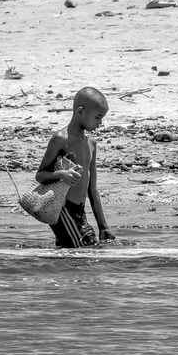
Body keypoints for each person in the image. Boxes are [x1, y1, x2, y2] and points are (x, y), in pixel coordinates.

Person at [35, 86, 114, 248]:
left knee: (77, 251)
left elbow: (92, 189)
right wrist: (61, 174)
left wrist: (103, 225)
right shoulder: (60, 139)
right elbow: (41, 175)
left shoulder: (91, 143)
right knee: (85, 249)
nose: (101, 123)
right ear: (80, 112)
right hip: (61, 209)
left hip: (80, 212)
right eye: (98, 117)